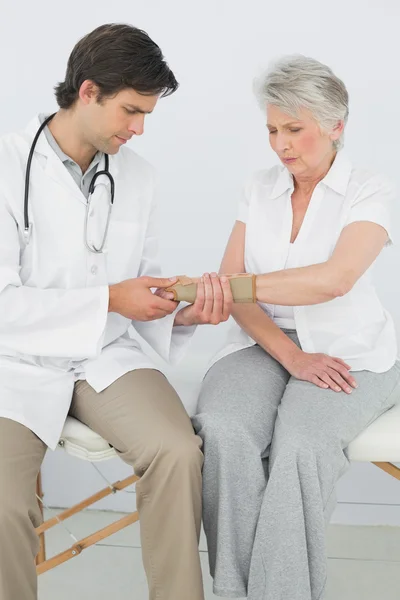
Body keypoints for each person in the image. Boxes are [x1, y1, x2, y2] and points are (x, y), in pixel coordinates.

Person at [0, 23, 233, 600]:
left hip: (106, 353)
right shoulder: (6, 164)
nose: (138, 129)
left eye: (147, 115)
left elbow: (138, 291)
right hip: (17, 364)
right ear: (87, 91)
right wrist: (109, 298)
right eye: (130, 111)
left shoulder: (138, 176)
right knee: (2, 501)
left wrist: (178, 313)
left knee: (179, 453)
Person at [191, 55, 400, 600]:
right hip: (262, 345)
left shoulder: (369, 190)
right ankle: (235, 592)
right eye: (272, 130)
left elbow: (334, 280)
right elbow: (234, 292)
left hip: (351, 351)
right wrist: (290, 356)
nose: (281, 144)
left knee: (302, 446)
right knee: (224, 428)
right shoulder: (258, 188)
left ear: (336, 126)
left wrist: (241, 284)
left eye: (294, 129)